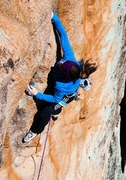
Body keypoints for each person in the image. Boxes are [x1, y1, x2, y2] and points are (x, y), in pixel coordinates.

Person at [23, 12, 97, 143]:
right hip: (71, 89)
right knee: (61, 101)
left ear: (64, 74)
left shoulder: (61, 85)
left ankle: (35, 131)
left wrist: (36, 94)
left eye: (62, 66)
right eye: (63, 62)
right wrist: (54, 17)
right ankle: (82, 83)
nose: (61, 63)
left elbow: (54, 98)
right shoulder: (69, 58)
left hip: (65, 96)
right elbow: (63, 36)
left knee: (46, 111)